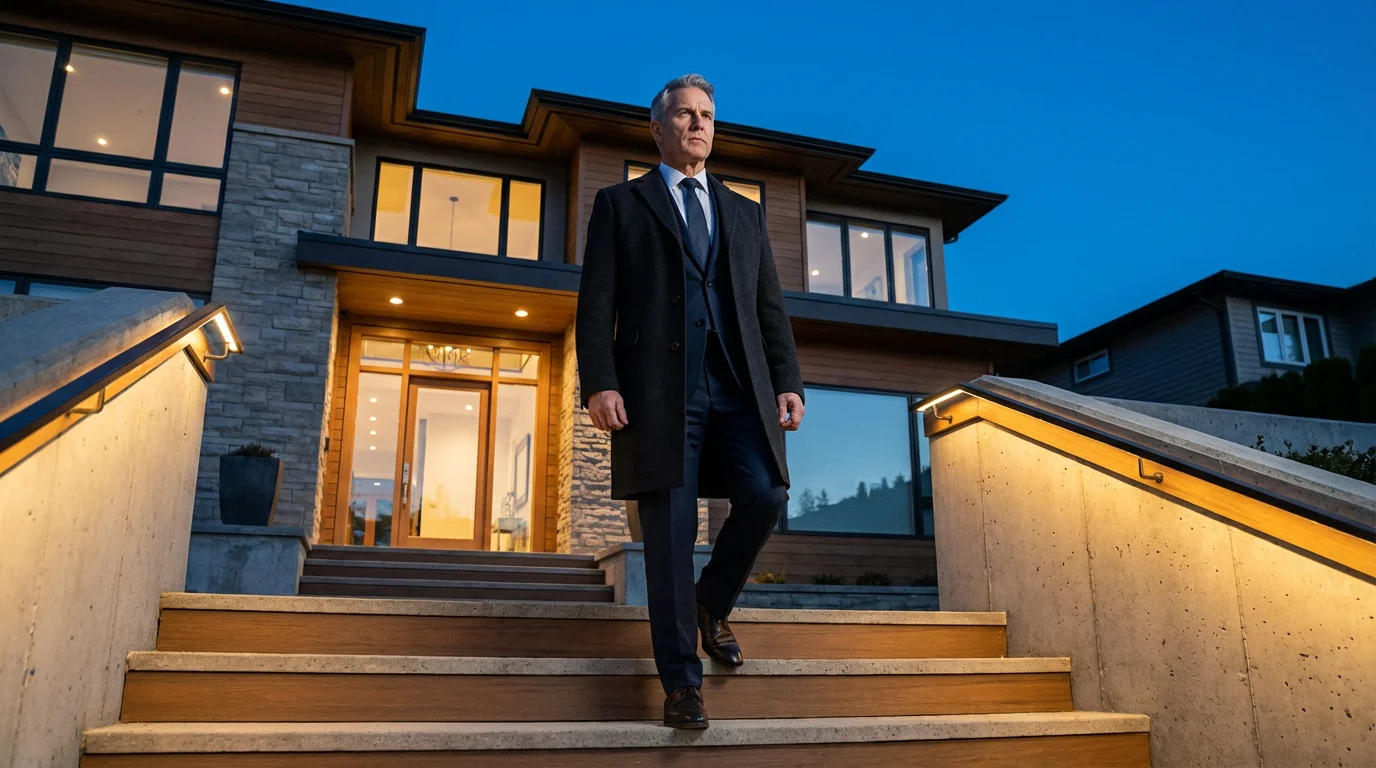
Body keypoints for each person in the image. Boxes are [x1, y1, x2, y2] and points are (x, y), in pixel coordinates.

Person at [575, 74, 805, 729]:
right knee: (671, 537)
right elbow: (596, 305)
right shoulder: (621, 205)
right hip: (657, 396)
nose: (698, 123)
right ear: (657, 128)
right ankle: (681, 683)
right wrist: (600, 381)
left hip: (738, 387)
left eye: (706, 114)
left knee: (765, 493)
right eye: (684, 114)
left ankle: (712, 602)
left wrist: (786, 379)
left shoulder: (744, 212)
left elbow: (768, 308)